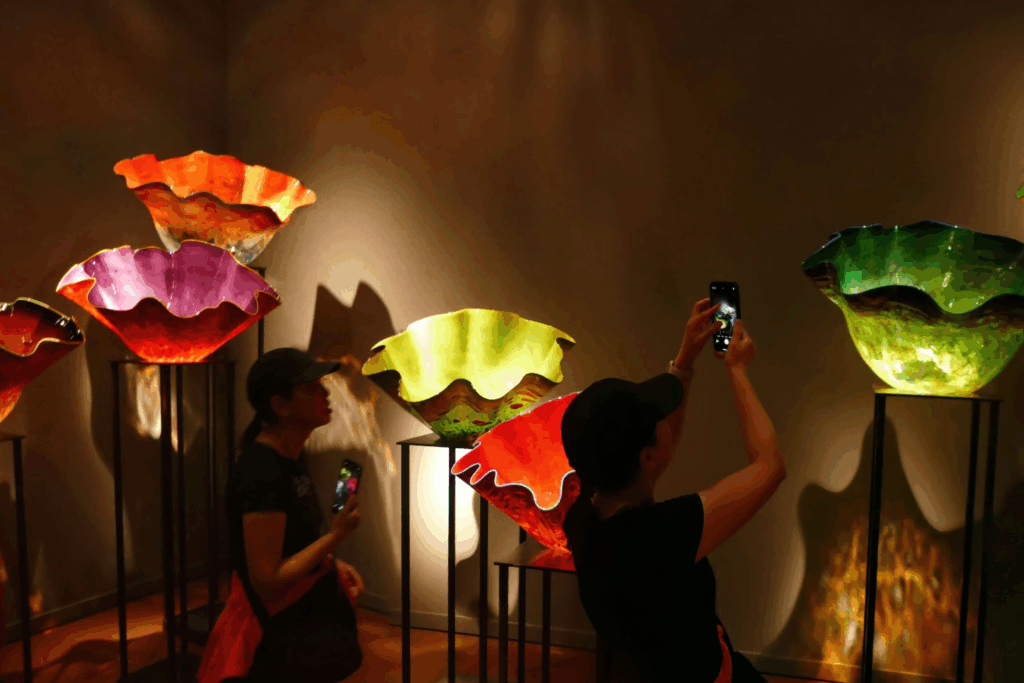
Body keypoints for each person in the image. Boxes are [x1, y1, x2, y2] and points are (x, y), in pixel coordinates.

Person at [561, 299, 786, 682]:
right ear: (645, 457)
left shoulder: (588, 520)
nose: (666, 420)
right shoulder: (658, 536)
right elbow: (770, 467)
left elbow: (658, 453)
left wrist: (684, 361)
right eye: (657, 418)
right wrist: (737, 370)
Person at [198, 347, 366, 683]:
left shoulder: (291, 455)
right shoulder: (261, 472)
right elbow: (268, 581)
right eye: (312, 388)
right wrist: (335, 536)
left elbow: (293, 542)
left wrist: (329, 562)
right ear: (280, 405)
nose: (325, 394)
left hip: (305, 624)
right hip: (279, 639)